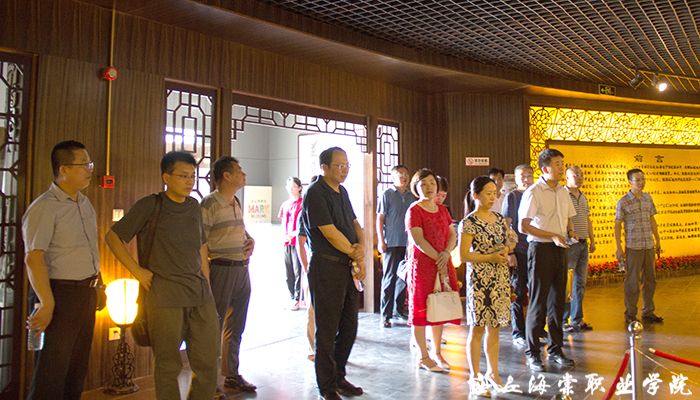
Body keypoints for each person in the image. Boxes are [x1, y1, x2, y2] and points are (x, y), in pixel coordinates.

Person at [105, 151, 219, 400]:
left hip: (199, 294)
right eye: (183, 176)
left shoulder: (193, 206)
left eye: (192, 176)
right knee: (168, 365)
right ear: (166, 177)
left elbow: (201, 246)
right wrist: (137, 271)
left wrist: (207, 283)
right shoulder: (151, 205)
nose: (189, 181)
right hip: (165, 296)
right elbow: (113, 237)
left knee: (209, 361)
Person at [22, 140, 101, 400]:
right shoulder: (44, 207)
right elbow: (34, 258)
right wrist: (46, 303)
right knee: (51, 372)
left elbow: (88, 250)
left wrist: (98, 285)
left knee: (76, 369)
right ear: (63, 169)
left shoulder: (84, 203)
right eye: (83, 165)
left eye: (89, 164)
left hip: (85, 293)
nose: (89, 170)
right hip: (58, 294)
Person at [302, 147, 366, 400]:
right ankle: (327, 387)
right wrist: (354, 252)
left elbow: (355, 224)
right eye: (339, 165)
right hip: (326, 267)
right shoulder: (315, 192)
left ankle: (339, 376)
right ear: (324, 167)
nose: (344, 169)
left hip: (346, 266)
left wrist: (361, 247)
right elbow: (329, 232)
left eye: (347, 165)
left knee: (349, 326)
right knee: (327, 330)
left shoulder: (343, 192)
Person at [201, 156, 257, 393]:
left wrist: (250, 240)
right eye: (239, 171)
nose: (243, 174)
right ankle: (208, 382)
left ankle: (231, 374)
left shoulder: (236, 201)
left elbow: (240, 231)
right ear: (226, 175)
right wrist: (206, 278)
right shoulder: (209, 204)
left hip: (242, 269)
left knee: (236, 325)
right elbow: (201, 243)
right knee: (213, 326)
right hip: (221, 269)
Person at [518, 148, 576, 372]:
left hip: (560, 248)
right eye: (558, 164)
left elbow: (568, 218)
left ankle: (556, 349)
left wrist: (570, 231)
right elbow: (524, 226)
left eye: (563, 163)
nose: (562, 168)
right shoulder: (534, 192)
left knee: (558, 302)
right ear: (545, 168)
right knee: (538, 302)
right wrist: (551, 235)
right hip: (540, 249)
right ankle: (532, 353)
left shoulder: (563, 191)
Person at [459, 176, 515, 395]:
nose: (493, 197)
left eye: (494, 193)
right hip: (480, 281)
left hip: (499, 278)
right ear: (475, 195)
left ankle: (493, 372)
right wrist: (490, 257)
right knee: (478, 328)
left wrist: (507, 248)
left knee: (495, 327)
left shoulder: (499, 218)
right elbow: (464, 255)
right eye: (488, 193)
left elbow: (508, 242)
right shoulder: (469, 222)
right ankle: (474, 377)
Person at [405, 168, 460, 373]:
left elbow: (452, 234)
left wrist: (446, 252)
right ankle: (423, 356)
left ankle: (437, 352)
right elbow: (418, 240)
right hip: (423, 266)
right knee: (421, 311)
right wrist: (439, 257)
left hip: (443, 263)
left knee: (439, 307)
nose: (429, 187)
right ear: (416, 187)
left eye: (432, 183)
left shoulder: (443, 209)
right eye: (423, 184)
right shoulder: (414, 210)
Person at [615, 168, 663, 325]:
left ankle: (648, 312)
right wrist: (619, 247)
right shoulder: (623, 202)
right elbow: (617, 225)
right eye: (638, 180)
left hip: (648, 245)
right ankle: (630, 314)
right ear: (630, 182)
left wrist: (657, 240)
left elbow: (652, 220)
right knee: (632, 282)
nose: (641, 182)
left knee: (650, 280)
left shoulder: (648, 198)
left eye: (643, 179)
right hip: (633, 247)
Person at [377, 165, 415, 328]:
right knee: (390, 278)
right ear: (393, 177)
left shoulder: (411, 196)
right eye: (400, 174)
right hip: (391, 242)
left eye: (406, 174)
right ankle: (385, 315)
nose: (404, 177)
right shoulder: (387, 194)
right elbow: (380, 218)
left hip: (408, 243)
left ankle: (398, 310)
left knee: (403, 278)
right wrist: (381, 241)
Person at [501, 164, 534, 347]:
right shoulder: (512, 197)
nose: (526, 179)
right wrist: (510, 251)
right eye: (522, 176)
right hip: (519, 249)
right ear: (515, 178)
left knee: (536, 291)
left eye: (529, 175)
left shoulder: (536, 194)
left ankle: (536, 329)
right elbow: (506, 224)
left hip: (536, 248)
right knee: (519, 290)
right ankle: (518, 331)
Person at [563, 166, 596, 332]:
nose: (580, 177)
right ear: (567, 178)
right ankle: (563, 320)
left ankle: (577, 319)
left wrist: (592, 239)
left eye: (581, 174)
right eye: (575, 175)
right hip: (570, 244)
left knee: (580, 283)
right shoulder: (562, 195)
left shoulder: (583, 196)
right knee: (566, 284)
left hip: (583, 243)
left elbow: (587, 219)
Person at [279, 176, 304, 310]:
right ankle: (292, 296)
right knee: (288, 272)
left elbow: (304, 223)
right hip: (286, 242)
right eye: (289, 186)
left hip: (298, 241)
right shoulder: (285, 204)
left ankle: (298, 298)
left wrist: (294, 233)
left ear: (299, 188)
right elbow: (283, 221)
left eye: (294, 186)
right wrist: (283, 235)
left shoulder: (303, 203)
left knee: (297, 270)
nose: (291, 189)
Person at [295, 207, 315, 361]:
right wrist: (307, 267)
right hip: (313, 267)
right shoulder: (307, 211)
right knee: (312, 310)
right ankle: (312, 349)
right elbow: (300, 243)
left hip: (332, 269)